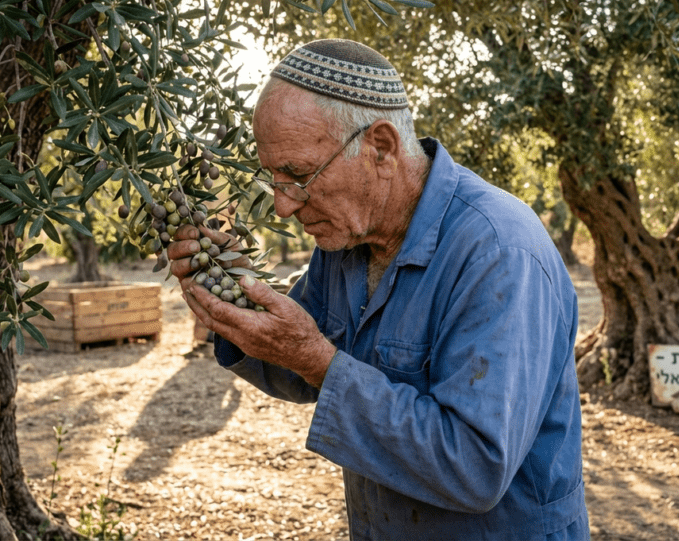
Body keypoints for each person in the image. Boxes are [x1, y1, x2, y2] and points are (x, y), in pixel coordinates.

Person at [168, 39, 589, 540]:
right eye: (273, 178)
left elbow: (475, 467)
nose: (282, 206)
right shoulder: (348, 240)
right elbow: (299, 362)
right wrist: (231, 299)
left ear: (382, 148)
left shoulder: (499, 253)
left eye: (299, 175)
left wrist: (314, 360)